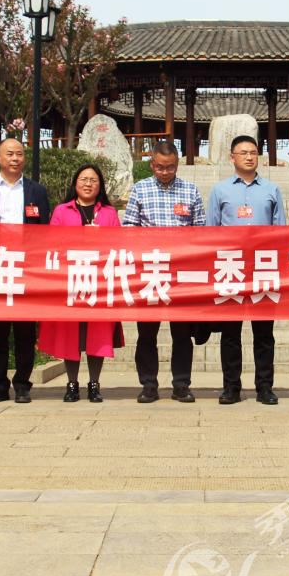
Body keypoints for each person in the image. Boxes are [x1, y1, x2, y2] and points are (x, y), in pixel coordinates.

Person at [123, 141, 205, 404]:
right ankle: (148, 384)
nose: (165, 172)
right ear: (152, 164)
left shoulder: (190, 191)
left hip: (181, 274)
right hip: (150, 272)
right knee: (147, 333)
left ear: (177, 165)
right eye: (160, 167)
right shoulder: (140, 189)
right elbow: (129, 227)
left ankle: (181, 385)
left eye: (170, 167)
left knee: (182, 333)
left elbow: (201, 231)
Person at [0, 137, 50, 404]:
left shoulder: (37, 191)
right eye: (9, 154)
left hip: (26, 269)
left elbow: (45, 232)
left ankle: (23, 384)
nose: (15, 159)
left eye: (19, 154)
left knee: (25, 332)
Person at [208, 134, 286, 405]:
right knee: (230, 333)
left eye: (253, 152)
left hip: (263, 268)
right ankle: (231, 387)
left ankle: (265, 387)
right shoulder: (220, 190)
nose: (249, 157)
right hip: (230, 268)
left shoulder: (272, 190)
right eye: (243, 153)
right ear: (232, 158)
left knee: (264, 333)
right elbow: (210, 231)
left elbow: (280, 231)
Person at [40, 164, 124, 403]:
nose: (88, 184)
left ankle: (94, 384)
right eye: (84, 179)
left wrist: (101, 238)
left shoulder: (109, 213)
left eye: (93, 180)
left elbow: (119, 244)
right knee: (71, 335)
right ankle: (72, 383)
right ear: (75, 183)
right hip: (71, 282)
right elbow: (52, 244)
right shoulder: (61, 211)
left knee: (97, 334)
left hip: (99, 283)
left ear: (100, 186)